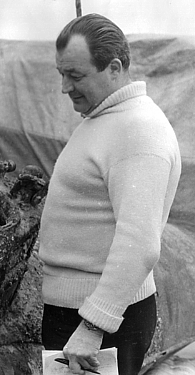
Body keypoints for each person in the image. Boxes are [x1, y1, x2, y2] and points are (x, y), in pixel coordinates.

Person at [38, 14, 181, 375]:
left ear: (114, 68)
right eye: (61, 74)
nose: (64, 87)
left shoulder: (138, 130)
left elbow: (139, 242)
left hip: (100, 321)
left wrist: (93, 326)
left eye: (76, 75)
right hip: (76, 311)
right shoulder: (105, 118)